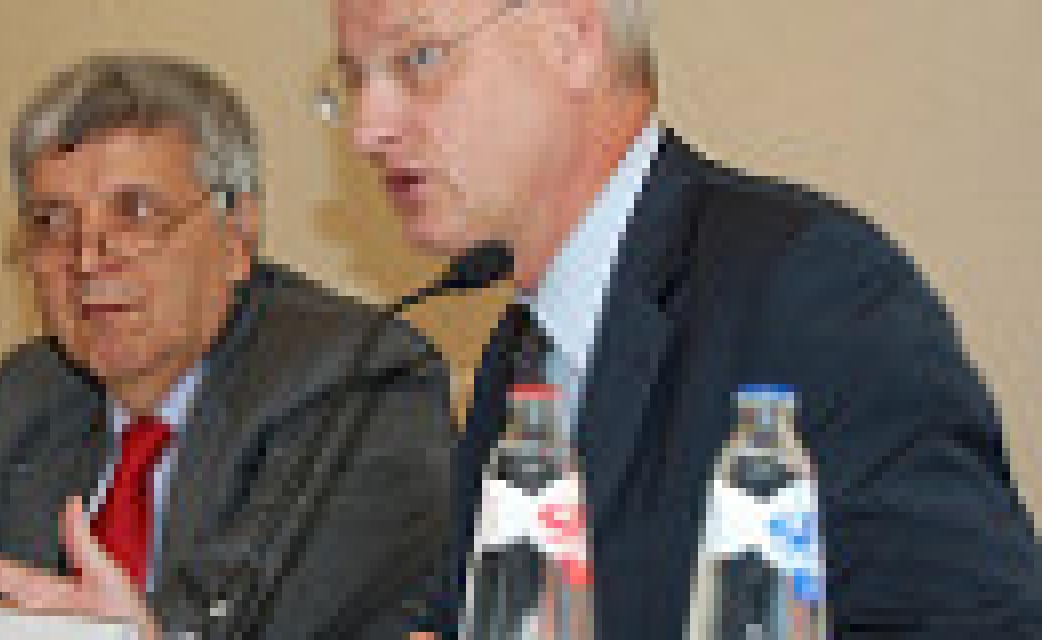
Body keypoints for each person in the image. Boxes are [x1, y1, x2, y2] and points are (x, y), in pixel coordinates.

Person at [327, 0, 1042, 636]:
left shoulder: (808, 287)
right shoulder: (516, 358)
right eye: (355, 79)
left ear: (573, 40)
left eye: (418, 59)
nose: (368, 129)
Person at [0, 55, 453, 638]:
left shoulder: (357, 383)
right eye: (52, 221)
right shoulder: (36, 391)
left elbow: (233, 624)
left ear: (237, 235)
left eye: (136, 213)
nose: (87, 258)